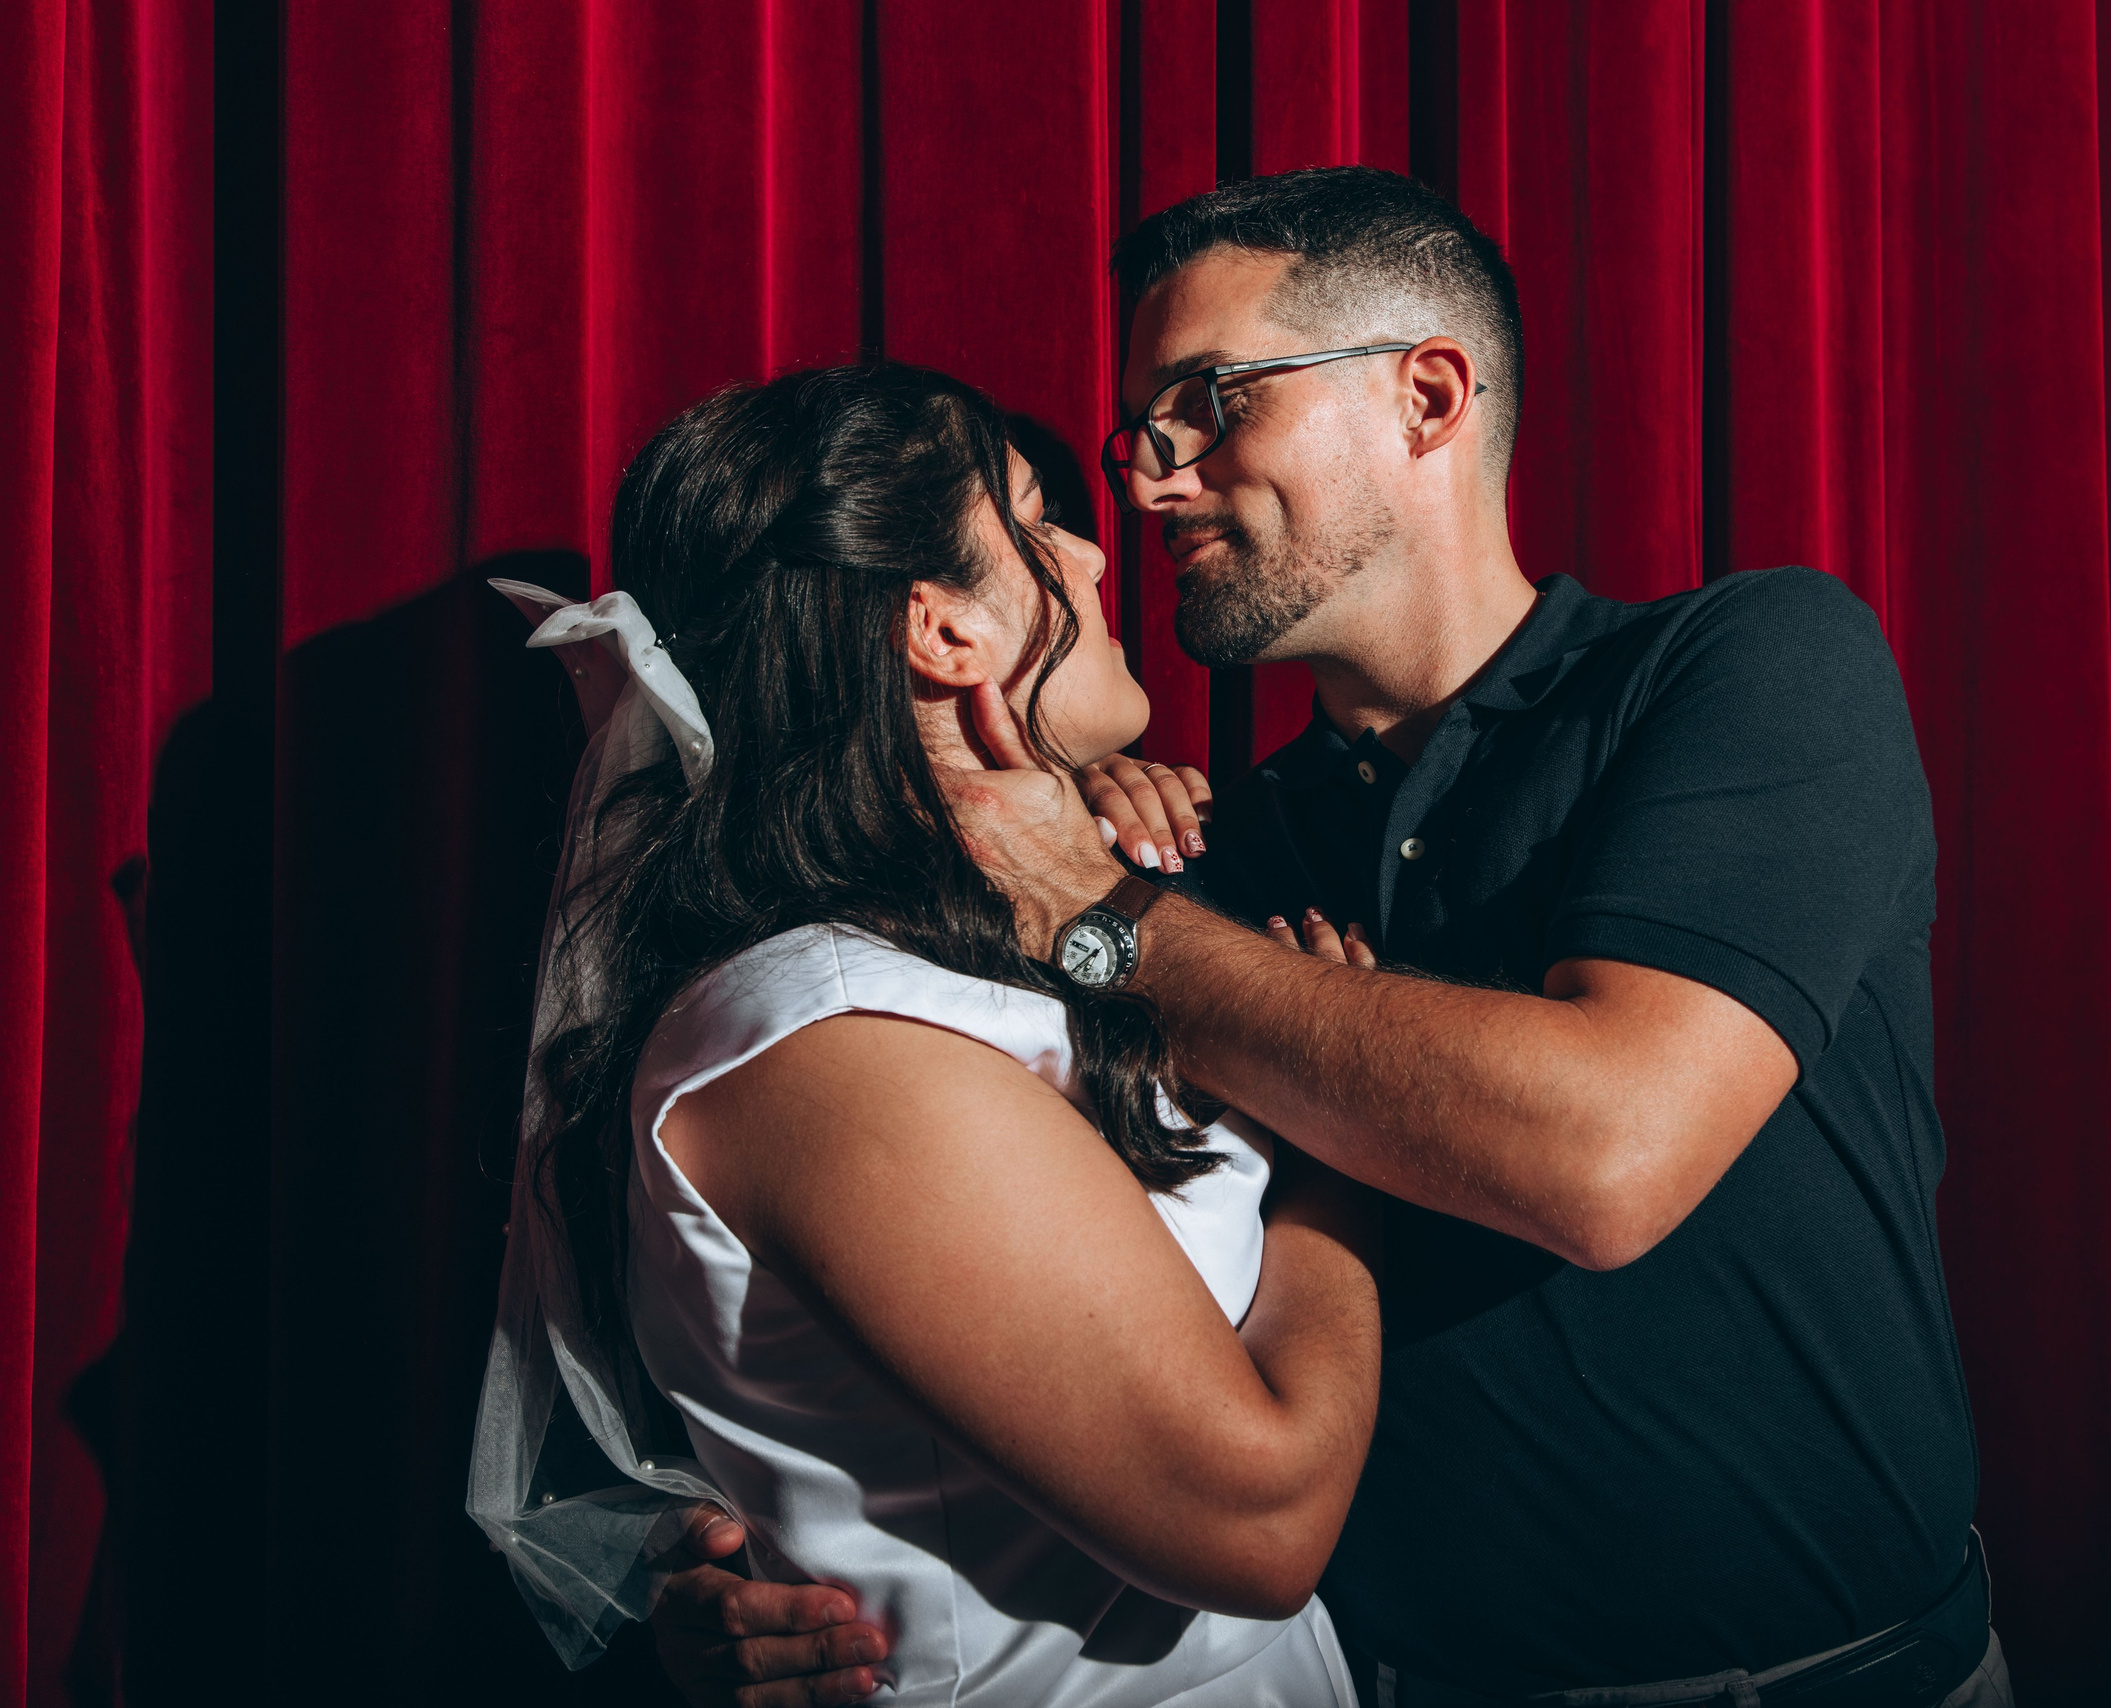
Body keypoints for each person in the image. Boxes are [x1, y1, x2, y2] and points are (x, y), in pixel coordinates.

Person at [666, 167, 2014, 1707]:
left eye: (1208, 405)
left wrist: (1106, 918)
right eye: (1137, 444)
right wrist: (749, 1548)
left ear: (1429, 396)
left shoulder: (1748, 670)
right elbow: (930, 1269)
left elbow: (1608, 1160)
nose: (1151, 487)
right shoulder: (1206, 853)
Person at [467, 361, 1389, 1707]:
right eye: (1035, 523)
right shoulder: (843, 1045)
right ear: (941, 632)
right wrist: (1345, 1139)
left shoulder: (1004, 933)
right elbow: (1259, 1527)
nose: (1091, 551)